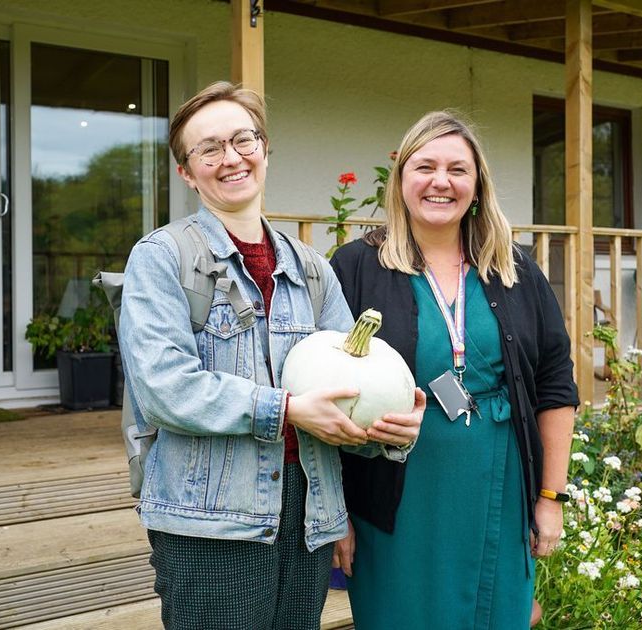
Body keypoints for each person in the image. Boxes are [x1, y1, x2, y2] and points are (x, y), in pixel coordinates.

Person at [118, 81, 423, 630]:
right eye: (208, 149)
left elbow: (345, 390)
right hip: (209, 523)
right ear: (187, 172)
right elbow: (164, 388)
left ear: (265, 149)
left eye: (243, 139)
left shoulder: (312, 269)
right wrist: (285, 410)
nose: (230, 158)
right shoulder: (162, 258)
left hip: (307, 514)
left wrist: (388, 428)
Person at [330, 111, 579, 629]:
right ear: (401, 181)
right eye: (425, 166)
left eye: (457, 169)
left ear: (477, 185)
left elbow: (556, 385)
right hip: (396, 496)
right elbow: (324, 396)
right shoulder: (356, 267)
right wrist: (335, 515)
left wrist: (550, 498)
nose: (440, 181)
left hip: (500, 481)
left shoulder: (515, 269)